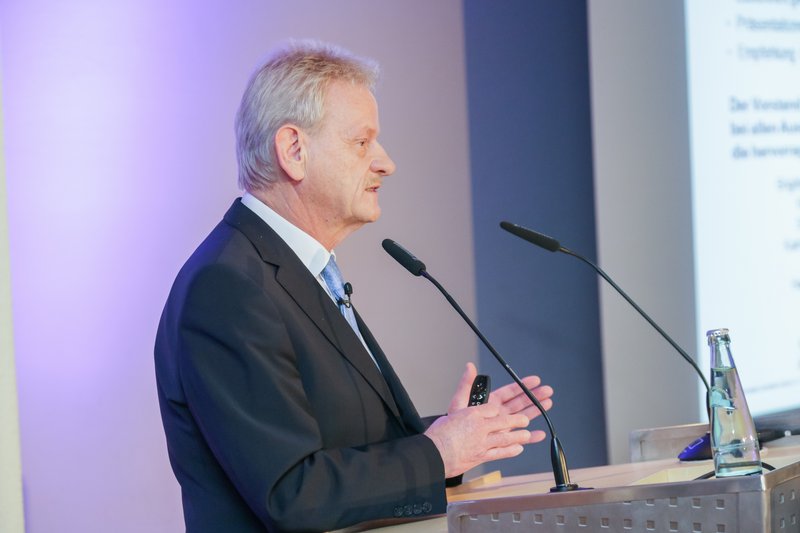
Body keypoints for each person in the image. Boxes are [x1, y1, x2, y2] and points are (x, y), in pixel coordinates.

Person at [155, 40, 554, 532]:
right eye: (361, 142)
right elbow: (292, 492)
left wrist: (451, 436)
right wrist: (438, 452)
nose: (386, 163)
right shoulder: (228, 287)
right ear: (294, 151)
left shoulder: (292, 271)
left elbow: (342, 447)